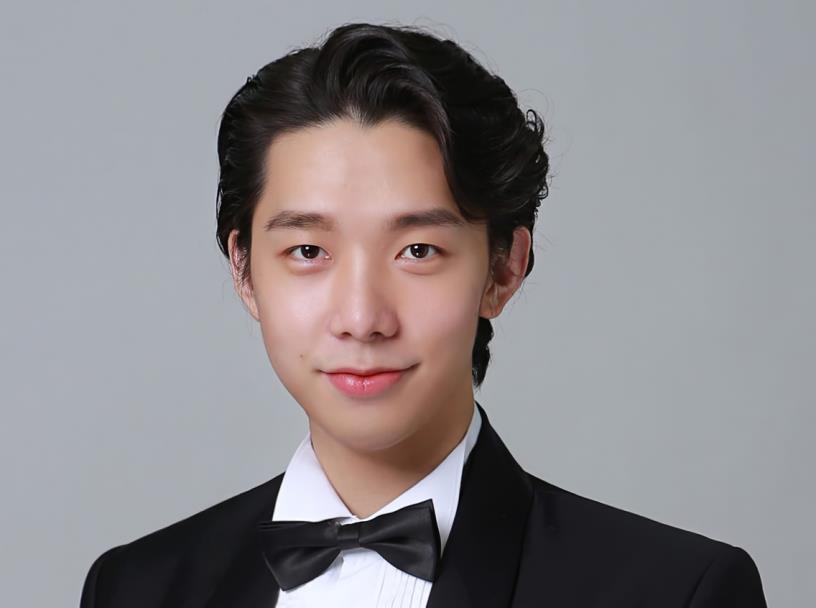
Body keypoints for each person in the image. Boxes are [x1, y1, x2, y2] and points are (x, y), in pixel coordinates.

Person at [79, 21, 767, 607]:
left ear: (503, 268)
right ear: (243, 270)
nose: (361, 318)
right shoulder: (136, 589)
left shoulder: (676, 592)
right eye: (309, 250)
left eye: (417, 250)